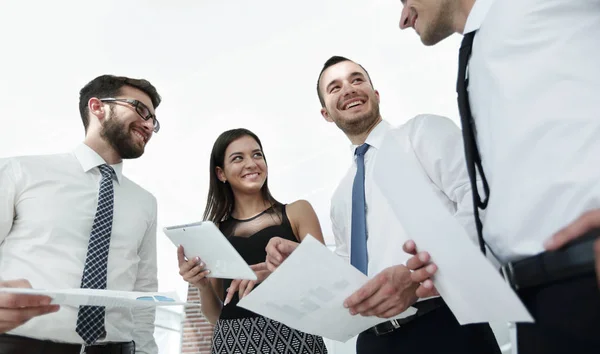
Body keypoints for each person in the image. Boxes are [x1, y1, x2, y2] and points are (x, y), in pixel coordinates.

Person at [398, 0, 600, 353]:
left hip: (585, 277)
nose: (403, 17)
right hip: (538, 305)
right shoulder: (477, 53)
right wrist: (450, 266)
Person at [268, 55, 501, 354]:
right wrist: (302, 265)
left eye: (357, 79)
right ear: (326, 113)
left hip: (443, 323)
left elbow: (480, 199)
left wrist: (418, 276)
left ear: (375, 95)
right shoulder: (341, 195)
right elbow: (349, 269)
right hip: (373, 341)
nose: (349, 89)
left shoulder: (422, 134)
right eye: (335, 87)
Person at [0, 74, 162, 354]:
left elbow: (143, 288)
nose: (149, 124)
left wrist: (146, 350)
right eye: (140, 109)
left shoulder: (145, 203)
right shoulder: (19, 172)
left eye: (153, 121)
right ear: (98, 107)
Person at [177, 128, 328, 354]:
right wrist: (202, 285)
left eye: (257, 155)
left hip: (295, 339)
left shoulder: (298, 212)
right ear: (221, 173)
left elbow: (326, 279)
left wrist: (277, 273)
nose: (251, 163)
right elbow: (215, 314)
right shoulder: (214, 232)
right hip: (232, 342)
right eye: (238, 158)